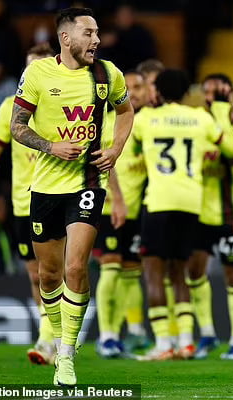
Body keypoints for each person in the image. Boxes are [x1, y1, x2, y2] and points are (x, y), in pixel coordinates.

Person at [10, 7, 134, 385]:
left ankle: (66, 353)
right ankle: (55, 332)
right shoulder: (37, 74)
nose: (96, 40)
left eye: (97, 33)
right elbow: (17, 126)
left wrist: (114, 150)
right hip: (46, 187)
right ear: (66, 38)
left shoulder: (107, 74)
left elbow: (126, 110)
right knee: (48, 275)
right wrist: (50, 146)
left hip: (87, 184)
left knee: (76, 267)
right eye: (89, 33)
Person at [132, 68, 228, 361]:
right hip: (190, 203)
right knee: (179, 275)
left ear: (157, 91)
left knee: (153, 274)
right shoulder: (200, 118)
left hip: (159, 202)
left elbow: (133, 143)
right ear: (188, 92)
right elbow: (224, 141)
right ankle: (186, 342)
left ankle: (163, 344)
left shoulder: (146, 119)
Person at [0, 43, 56, 365]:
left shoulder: (66, 104)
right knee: (37, 276)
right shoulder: (11, 106)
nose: (30, 73)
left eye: (37, 67)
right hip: (25, 203)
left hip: (61, 197)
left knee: (60, 271)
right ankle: (51, 336)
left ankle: (51, 339)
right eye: (27, 68)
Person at [187, 73, 233, 361]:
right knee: (195, 272)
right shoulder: (195, 121)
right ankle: (207, 334)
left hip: (227, 212)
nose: (212, 97)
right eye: (209, 92)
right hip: (197, 212)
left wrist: (223, 110)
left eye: (219, 92)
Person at [94, 69, 151, 358]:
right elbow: (106, 161)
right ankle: (107, 336)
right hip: (109, 208)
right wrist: (117, 198)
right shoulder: (107, 120)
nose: (134, 92)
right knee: (111, 266)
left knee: (131, 270)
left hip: (137, 208)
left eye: (138, 86)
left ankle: (136, 331)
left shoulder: (148, 123)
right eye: (128, 87)